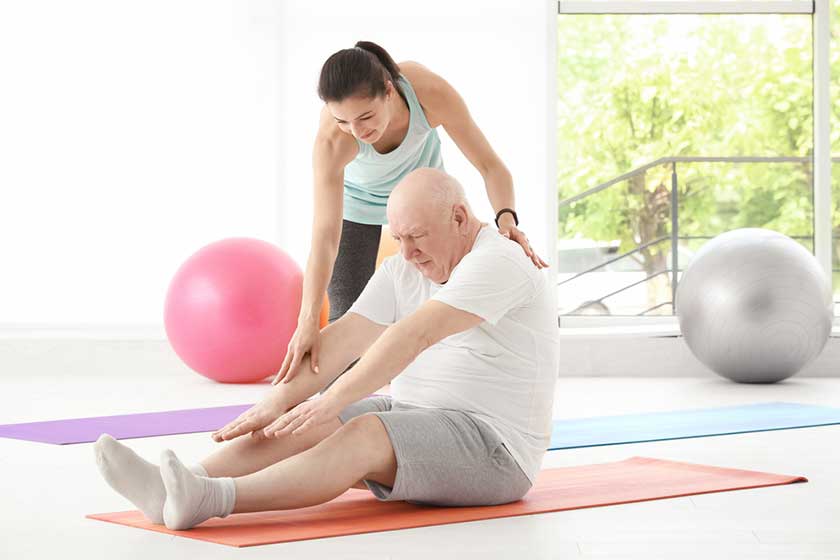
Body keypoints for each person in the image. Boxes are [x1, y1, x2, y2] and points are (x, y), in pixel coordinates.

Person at [93, 168, 558, 530]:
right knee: (304, 421)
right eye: (399, 239)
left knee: (360, 429)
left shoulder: (499, 261)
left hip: (495, 449)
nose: (409, 252)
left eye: (417, 236)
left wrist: (330, 401)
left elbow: (411, 336)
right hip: (419, 412)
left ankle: (208, 500)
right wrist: (277, 403)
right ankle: (172, 487)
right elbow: (343, 338)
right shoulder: (405, 269)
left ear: (459, 217)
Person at [281, 40, 548, 383]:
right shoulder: (332, 140)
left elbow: (490, 166)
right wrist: (306, 321)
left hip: (421, 198)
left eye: (366, 117)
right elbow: (324, 238)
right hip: (359, 206)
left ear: (389, 91)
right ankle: (334, 418)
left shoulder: (427, 93)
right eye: (344, 121)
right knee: (345, 316)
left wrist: (507, 220)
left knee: (445, 298)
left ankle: (447, 388)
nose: (358, 132)